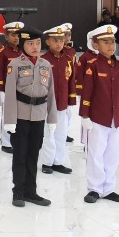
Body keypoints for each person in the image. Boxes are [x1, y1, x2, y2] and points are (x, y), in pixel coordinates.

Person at [3, 27, 56, 207]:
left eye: (38, 43)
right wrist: (9, 120)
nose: (35, 47)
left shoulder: (46, 65)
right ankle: (18, 191)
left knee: (33, 154)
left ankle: (31, 192)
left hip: (39, 115)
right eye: (31, 43)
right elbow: (9, 94)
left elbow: (51, 93)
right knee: (20, 154)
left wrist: (52, 118)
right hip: (21, 116)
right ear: (24, 45)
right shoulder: (15, 65)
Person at [80, 25, 119, 204]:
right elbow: (87, 92)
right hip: (97, 117)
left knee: (113, 153)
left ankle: (109, 188)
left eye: (113, 41)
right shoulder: (93, 66)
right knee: (95, 153)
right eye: (105, 42)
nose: (111, 45)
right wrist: (85, 115)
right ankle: (94, 188)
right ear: (96, 44)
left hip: (115, 117)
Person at [40, 25, 75, 175]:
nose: (59, 43)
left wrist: (71, 101)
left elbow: (71, 81)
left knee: (61, 134)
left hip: (62, 104)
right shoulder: (43, 60)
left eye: (61, 40)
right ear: (48, 42)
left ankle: (58, 161)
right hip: (47, 105)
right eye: (55, 40)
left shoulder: (68, 59)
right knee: (48, 134)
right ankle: (47, 162)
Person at [0, 21, 24, 154]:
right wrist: (1, 91)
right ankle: (6, 143)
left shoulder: (22, 52)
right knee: (8, 116)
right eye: (13, 35)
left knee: (19, 117)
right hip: (7, 90)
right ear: (6, 37)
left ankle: (17, 140)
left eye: (18, 35)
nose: (16, 37)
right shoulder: (3, 52)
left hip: (22, 90)